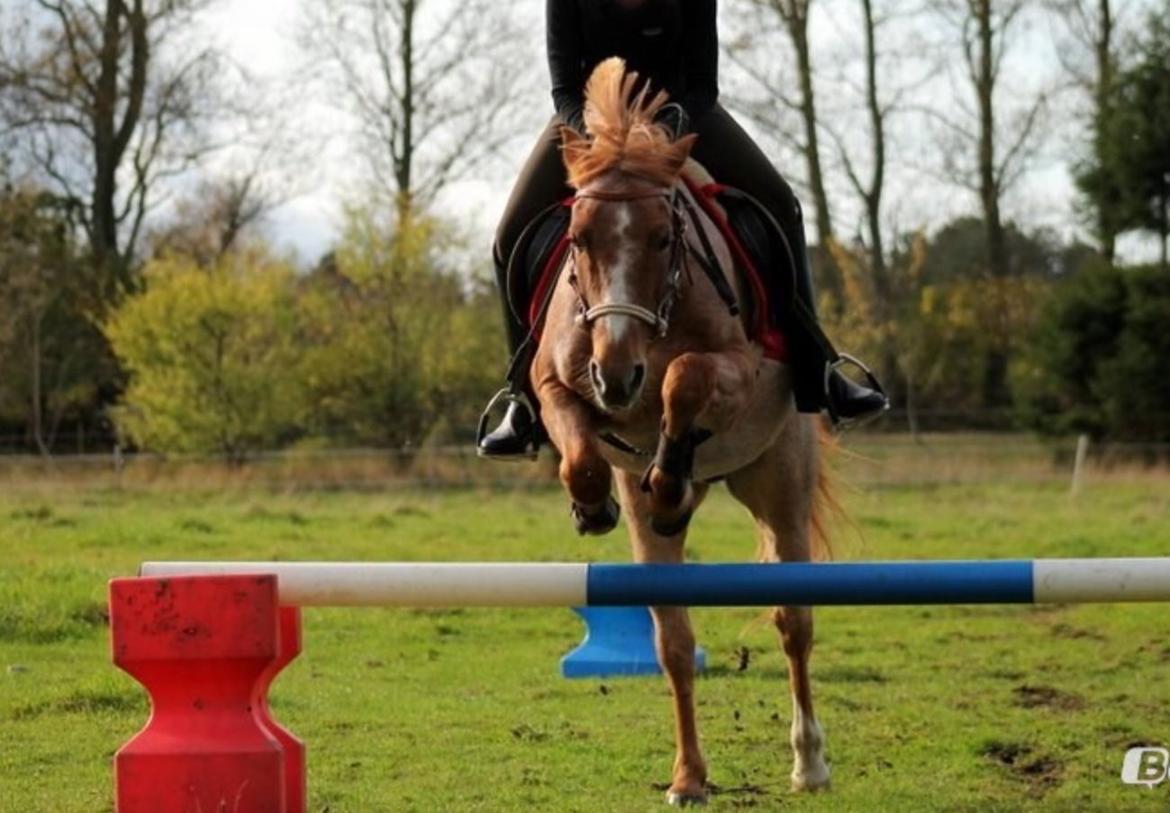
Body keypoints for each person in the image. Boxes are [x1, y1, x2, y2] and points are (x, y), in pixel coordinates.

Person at [478, 0, 887, 458]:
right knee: (508, 234)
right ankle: (521, 400)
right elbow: (564, 89)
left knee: (781, 204)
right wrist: (599, 137)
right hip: (594, 127)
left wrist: (669, 124)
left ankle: (821, 370)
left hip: (681, 117)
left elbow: (702, 83)